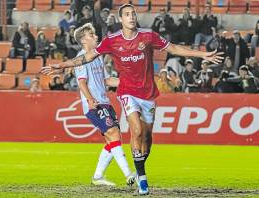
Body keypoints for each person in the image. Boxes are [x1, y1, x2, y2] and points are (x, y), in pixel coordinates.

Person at [41, 4, 223, 195]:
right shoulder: (111, 41)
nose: (131, 16)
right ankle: (140, 178)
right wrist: (61, 65)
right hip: (126, 92)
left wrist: (202, 54)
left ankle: (131, 169)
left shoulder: (148, 36)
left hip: (148, 93)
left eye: (133, 13)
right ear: (121, 19)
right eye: (127, 14)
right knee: (134, 130)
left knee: (147, 138)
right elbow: (84, 58)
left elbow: (174, 48)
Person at [73, 23, 135, 186]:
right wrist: (90, 99)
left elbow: (107, 80)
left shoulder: (97, 57)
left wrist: (127, 83)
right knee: (113, 133)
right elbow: (82, 83)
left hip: (105, 103)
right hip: (95, 105)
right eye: (91, 35)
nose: (95, 37)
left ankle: (98, 177)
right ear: (83, 40)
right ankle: (129, 174)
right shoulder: (81, 59)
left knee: (112, 139)